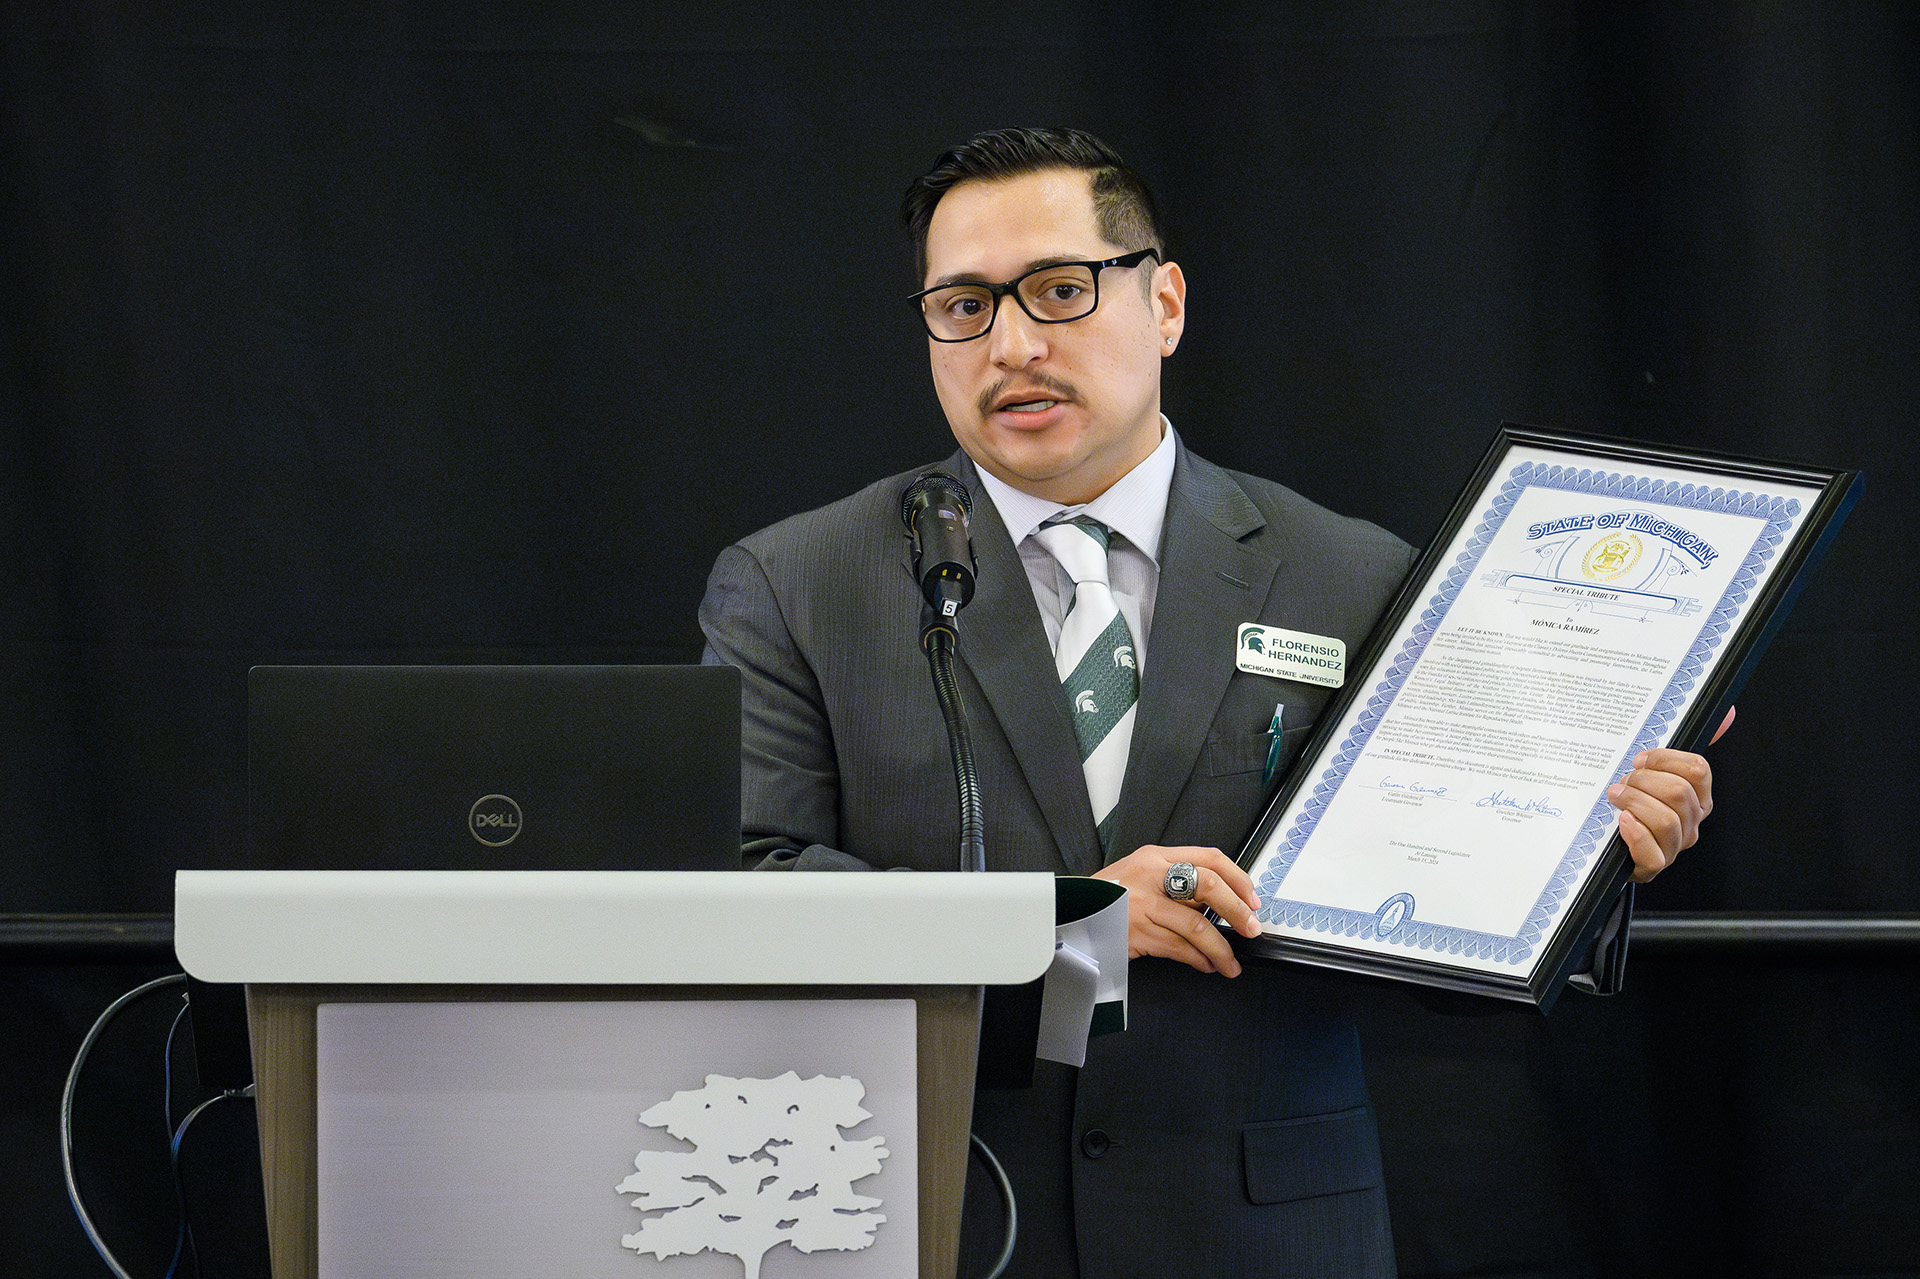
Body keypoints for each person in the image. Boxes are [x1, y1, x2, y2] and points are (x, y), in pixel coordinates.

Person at [699, 127, 1716, 1278]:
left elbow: (1448, 949)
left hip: (1264, 1232)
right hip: (935, 1216)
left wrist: (1590, 856)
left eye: (1060, 290)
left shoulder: (1352, 575)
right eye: (963, 306)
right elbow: (746, 892)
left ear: (1166, 303)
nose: (1013, 344)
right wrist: (1059, 927)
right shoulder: (798, 583)